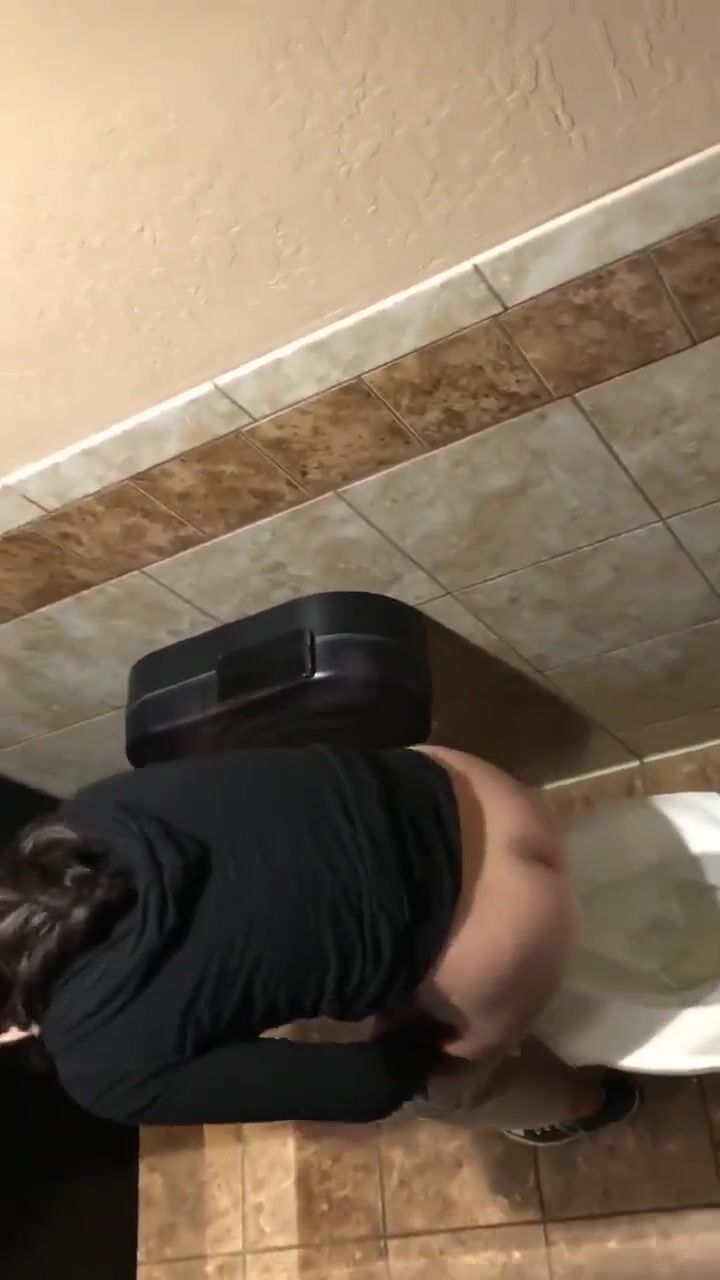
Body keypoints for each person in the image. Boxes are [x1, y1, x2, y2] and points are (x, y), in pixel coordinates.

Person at [0, 744, 639, 1144]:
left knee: (447, 1092)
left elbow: (368, 1088)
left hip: (518, 932)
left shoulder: (102, 1072)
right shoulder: (79, 817)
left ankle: (592, 1103)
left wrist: (415, 1030)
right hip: (479, 786)